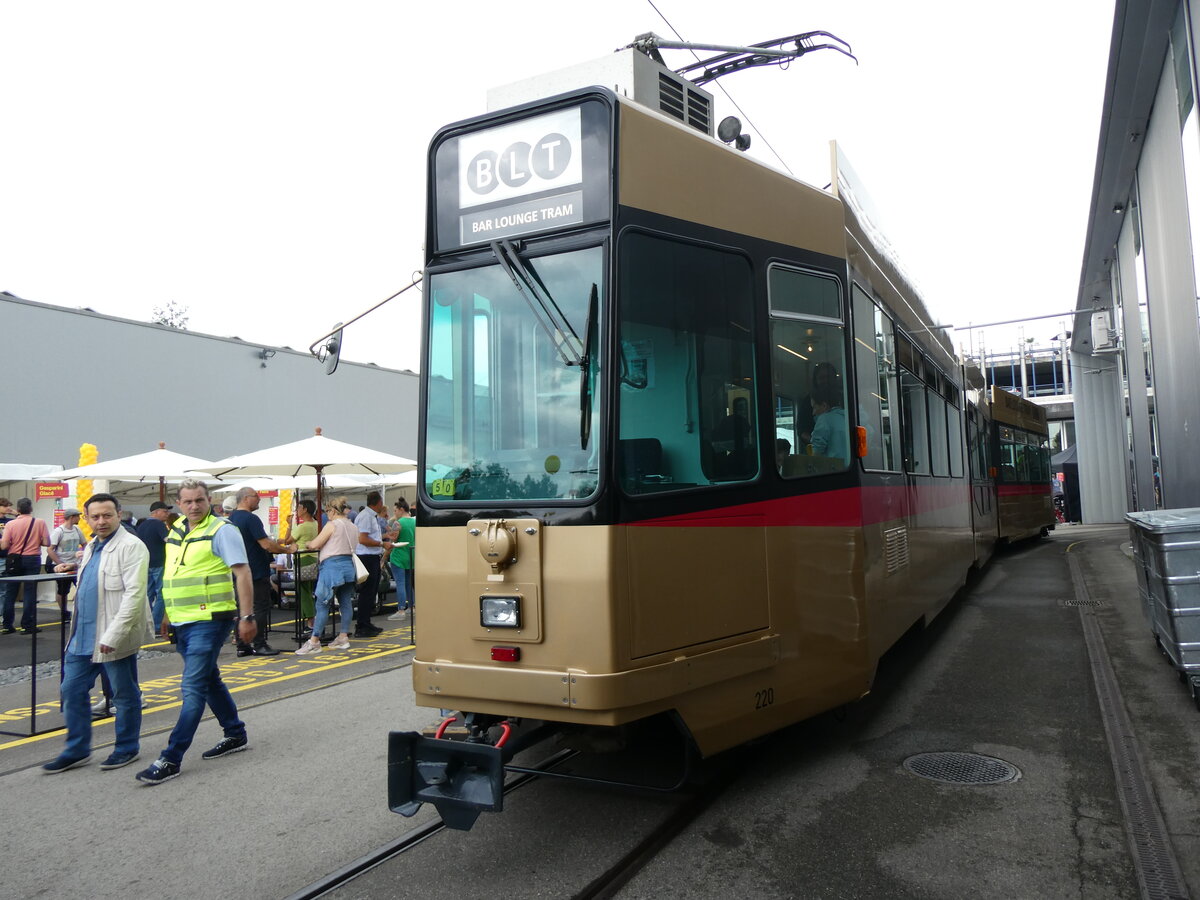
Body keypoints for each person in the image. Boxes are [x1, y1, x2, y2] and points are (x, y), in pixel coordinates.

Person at [135, 479, 256, 785]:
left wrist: (247, 616)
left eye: (199, 500)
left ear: (209, 499)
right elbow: (172, 574)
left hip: (211, 620)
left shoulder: (222, 530)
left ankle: (171, 757)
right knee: (208, 679)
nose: (194, 506)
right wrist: (165, 615)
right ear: (178, 503)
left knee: (192, 690)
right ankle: (235, 732)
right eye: (187, 502)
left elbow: (242, 572)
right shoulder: (175, 531)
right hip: (182, 621)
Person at [42, 493, 153, 773]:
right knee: (71, 690)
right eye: (95, 516)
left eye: (107, 515)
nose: (101, 521)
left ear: (118, 514)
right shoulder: (92, 545)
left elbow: (134, 596)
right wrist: (76, 567)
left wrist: (114, 635)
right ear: (87, 518)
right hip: (82, 636)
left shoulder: (132, 546)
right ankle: (77, 749)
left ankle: (126, 747)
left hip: (112, 636)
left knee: (123, 694)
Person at [227, 486, 288, 656]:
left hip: (237, 570)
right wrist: (287, 550)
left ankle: (242, 644)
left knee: (241, 608)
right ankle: (259, 643)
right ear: (246, 498)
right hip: (256, 569)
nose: (259, 499)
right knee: (261, 606)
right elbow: (266, 544)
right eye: (256, 496)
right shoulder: (251, 519)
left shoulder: (231, 518)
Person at [295, 497, 358, 655]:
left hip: (332, 567)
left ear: (333, 510)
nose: (326, 514)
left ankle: (314, 641)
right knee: (345, 602)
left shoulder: (333, 524)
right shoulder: (352, 526)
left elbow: (315, 544)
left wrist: (308, 544)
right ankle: (343, 636)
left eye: (328, 511)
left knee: (322, 604)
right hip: (349, 566)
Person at [1, 498, 51, 634]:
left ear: (17, 510)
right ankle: (27, 625)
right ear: (31, 509)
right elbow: (47, 542)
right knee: (30, 592)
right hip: (33, 559)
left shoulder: (10, 524)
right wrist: (35, 540)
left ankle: (7, 625)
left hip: (14, 560)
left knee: (10, 593)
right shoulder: (39, 522)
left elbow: (4, 545)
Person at [353, 491, 391, 638]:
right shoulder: (366, 517)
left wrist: (385, 538)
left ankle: (366, 622)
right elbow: (362, 539)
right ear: (378, 502)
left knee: (371, 591)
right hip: (366, 557)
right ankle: (362, 625)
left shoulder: (370, 516)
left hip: (371, 555)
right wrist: (382, 543)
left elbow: (369, 536)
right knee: (367, 592)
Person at [134, 501, 172, 632]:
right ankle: (155, 625)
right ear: (155, 512)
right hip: (159, 563)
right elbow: (169, 541)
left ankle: (145, 624)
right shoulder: (159, 524)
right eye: (165, 511)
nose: (168, 513)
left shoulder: (142, 525)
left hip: (145, 563)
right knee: (162, 594)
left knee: (147, 594)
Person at [287, 500, 319, 637]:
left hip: (303, 559)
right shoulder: (317, 524)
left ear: (305, 509)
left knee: (303, 591)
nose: (296, 510)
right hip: (314, 560)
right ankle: (314, 621)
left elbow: (287, 540)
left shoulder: (302, 527)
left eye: (298, 507)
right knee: (310, 591)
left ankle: (310, 622)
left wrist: (289, 525)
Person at [47, 508, 86, 621]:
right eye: (77, 516)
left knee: (81, 587)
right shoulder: (59, 531)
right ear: (71, 517)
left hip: (75, 565)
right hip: (63, 565)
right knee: (63, 590)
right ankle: (63, 612)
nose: (79, 518)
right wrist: (60, 564)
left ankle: (79, 611)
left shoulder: (77, 530)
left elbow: (84, 544)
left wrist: (83, 556)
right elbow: (50, 549)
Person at [386, 499, 415, 621]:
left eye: (395, 510)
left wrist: (383, 558)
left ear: (401, 509)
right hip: (411, 555)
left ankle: (401, 609)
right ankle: (412, 606)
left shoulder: (398, 523)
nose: (395, 513)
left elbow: (393, 539)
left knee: (400, 583)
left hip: (398, 556)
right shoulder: (414, 521)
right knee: (409, 583)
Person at [798, 362, 839, 446]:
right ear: (816, 380)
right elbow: (801, 429)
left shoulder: (844, 397)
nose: (825, 380)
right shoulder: (808, 400)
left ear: (834, 378)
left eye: (828, 377)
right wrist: (816, 442)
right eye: (821, 378)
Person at [809, 383, 850, 461]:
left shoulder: (824, 419)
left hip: (833, 470)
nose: (813, 413)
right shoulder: (847, 417)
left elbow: (817, 452)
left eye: (814, 407)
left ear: (824, 406)